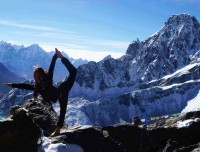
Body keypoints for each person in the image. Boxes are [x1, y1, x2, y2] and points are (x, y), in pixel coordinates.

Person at [4, 48, 77, 136]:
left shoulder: (48, 79)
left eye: (36, 74)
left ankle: (61, 56)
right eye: (34, 74)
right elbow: (26, 86)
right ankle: (58, 130)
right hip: (58, 96)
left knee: (74, 72)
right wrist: (12, 84)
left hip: (62, 89)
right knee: (63, 111)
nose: (34, 75)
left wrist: (56, 56)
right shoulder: (37, 87)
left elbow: (52, 67)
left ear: (41, 74)